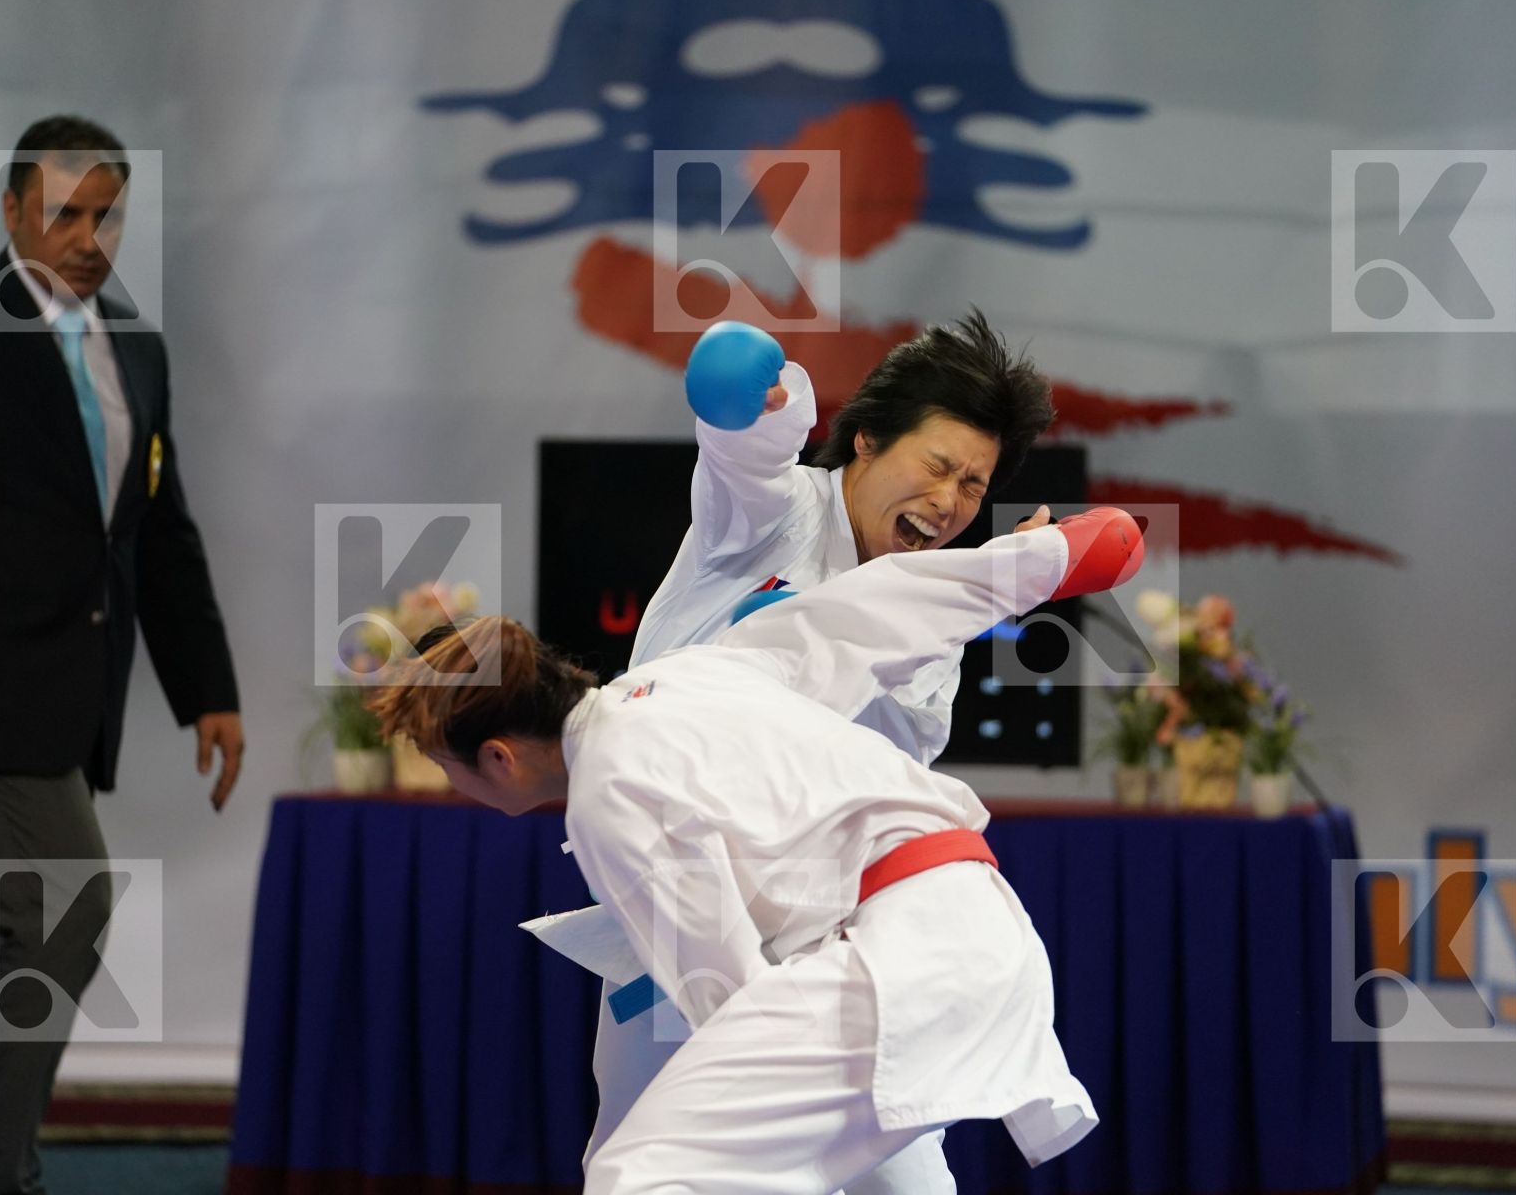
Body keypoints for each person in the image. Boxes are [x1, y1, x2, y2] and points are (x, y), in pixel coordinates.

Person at [370, 504, 1142, 1193]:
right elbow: (872, 612)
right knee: (863, 1172)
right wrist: (1043, 562)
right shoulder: (692, 673)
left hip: (895, 955)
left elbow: (731, 996)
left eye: (444, 765)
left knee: (646, 1174)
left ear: (499, 757)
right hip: (967, 922)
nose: (450, 786)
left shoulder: (608, 790)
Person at [0, 115, 244, 1195]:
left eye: (106, 215)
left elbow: (157, 534)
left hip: (72, 700)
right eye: (65, 212)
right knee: (70, 901)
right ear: (13, 209)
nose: (87, 236)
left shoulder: (138, 346)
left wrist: (208, 690)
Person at [593, 310, 1054, 1192]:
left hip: (823, 945)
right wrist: (752, 411)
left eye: (974, 484)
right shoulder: (775, 516)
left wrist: (979, 589)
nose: (951, 502)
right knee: (646, 1169)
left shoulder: (934, 604)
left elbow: (887, 769)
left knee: (910, 1185)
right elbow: (744, 456)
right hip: (681, 920)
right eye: (938, 466)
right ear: (867, 440)